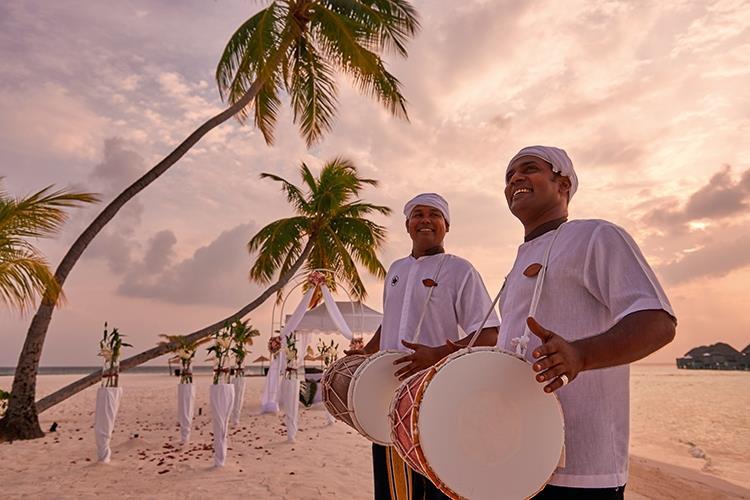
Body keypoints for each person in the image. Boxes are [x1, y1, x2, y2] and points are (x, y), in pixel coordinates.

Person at [498, 145, 676, 499]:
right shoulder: (515, 266)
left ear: (563, 184)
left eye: (528, 168)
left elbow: (658, 321)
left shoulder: (595, 236)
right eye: (508, 176)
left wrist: (580, 355)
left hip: (582, 470)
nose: (515, 178)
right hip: (517, 456)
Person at [346, 192, 500, 500]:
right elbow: (388, 320)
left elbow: (489, 333)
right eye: (418, 214)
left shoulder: (460, 270)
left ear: (446, 226)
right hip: (389, 395)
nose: (425, 220)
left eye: (434, 214)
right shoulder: (395, 271)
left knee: (440, 481)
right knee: (394, 485)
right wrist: (366, 353)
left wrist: (438, 355)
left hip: (439, 395)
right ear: (407, 225)